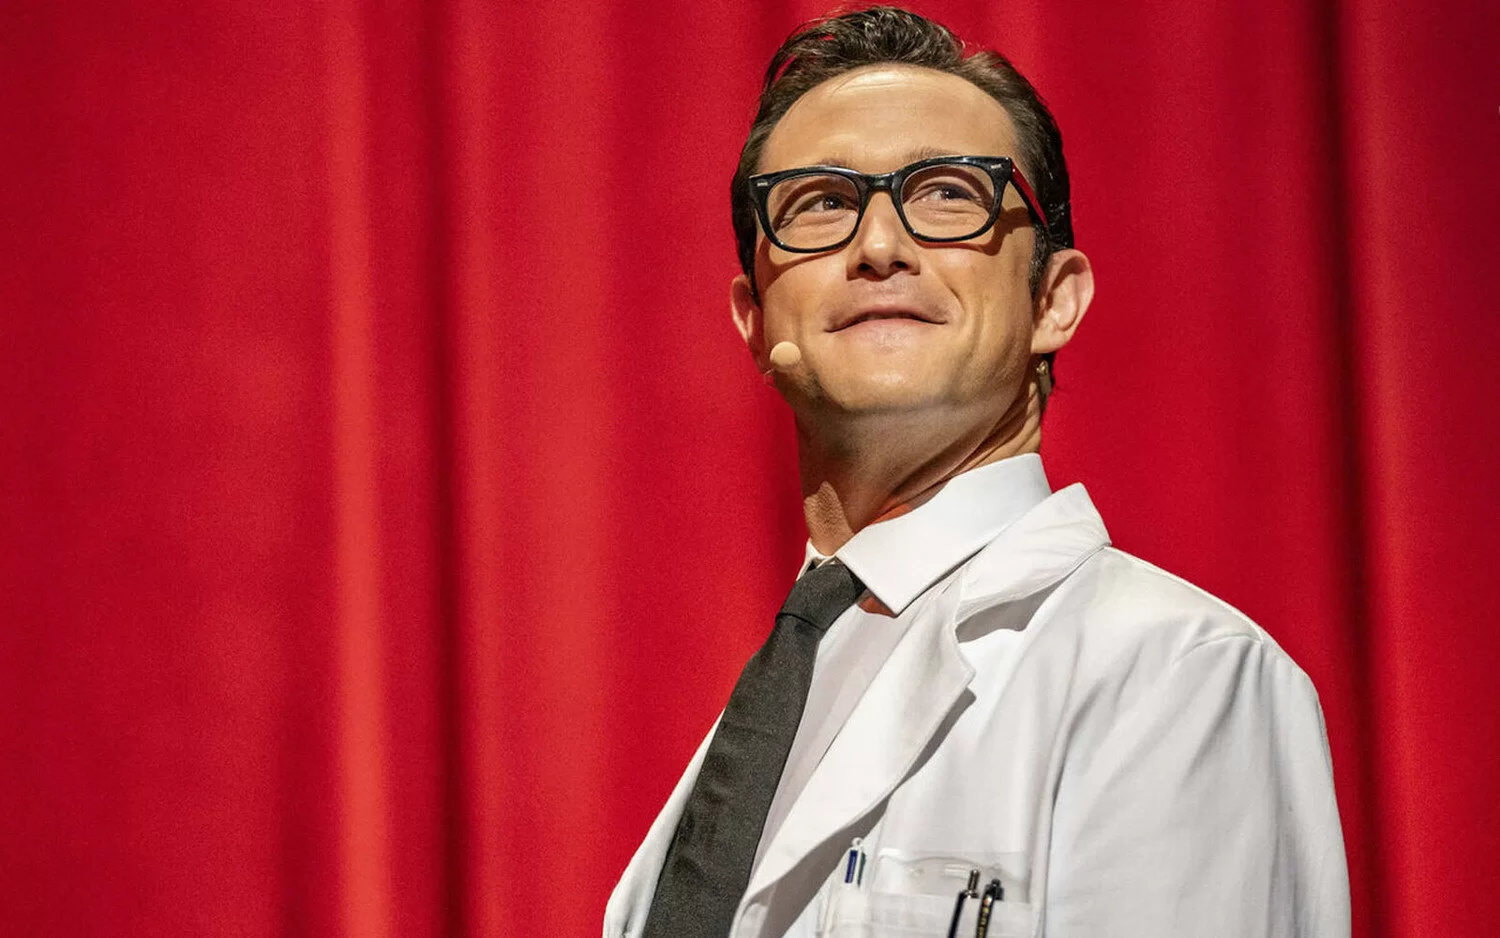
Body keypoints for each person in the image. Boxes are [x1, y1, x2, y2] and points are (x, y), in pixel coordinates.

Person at [605, 7, 1349, 937]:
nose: (879, 246)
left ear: (1053, 300)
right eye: (820, 203)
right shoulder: (782, 687)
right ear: (755, 320)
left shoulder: (1174, 673)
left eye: (948, 193)